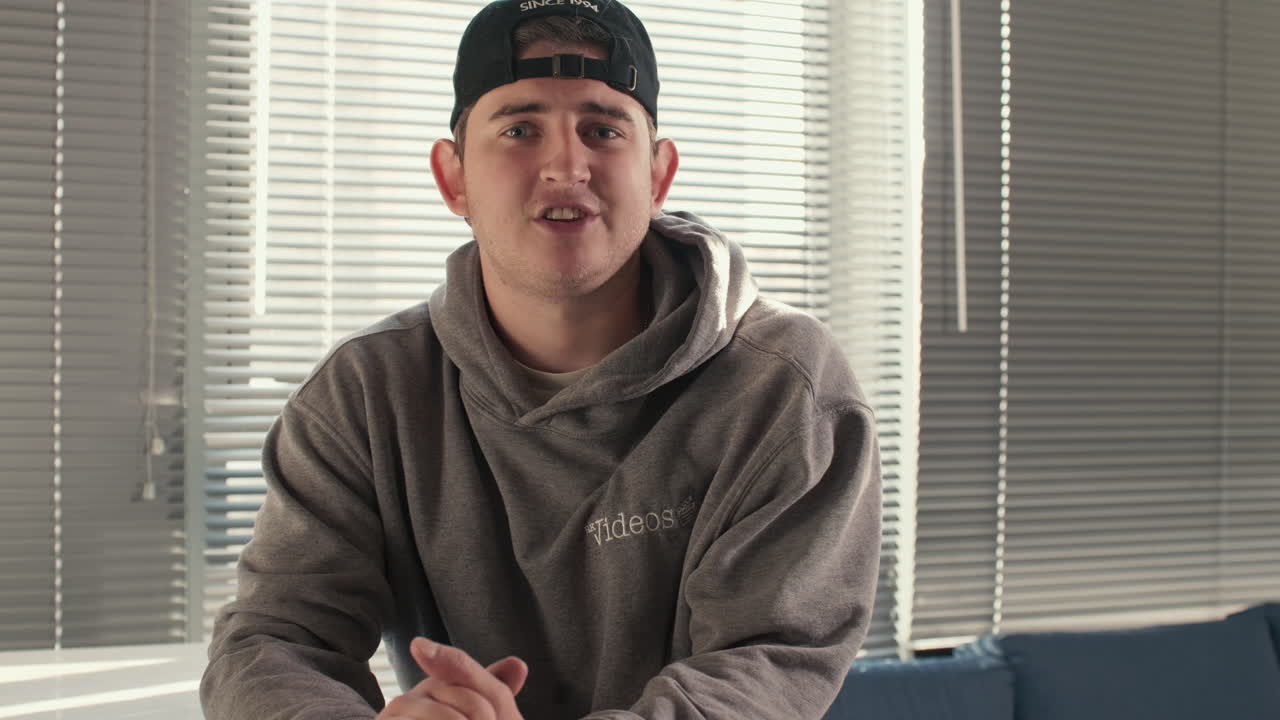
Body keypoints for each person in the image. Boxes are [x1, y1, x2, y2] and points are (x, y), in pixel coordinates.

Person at [199, 1, 882, 718]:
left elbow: (764, 665)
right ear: (453, 178)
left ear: (658, 175)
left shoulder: (785, 386)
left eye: (602, 130)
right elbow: (271, 640)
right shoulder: (366, 395)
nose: (565, 166)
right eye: (520, 129)